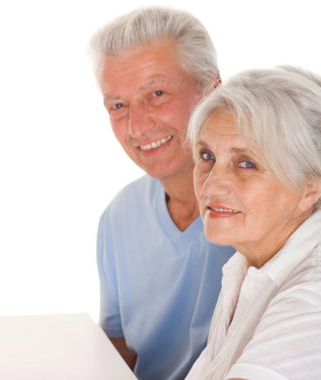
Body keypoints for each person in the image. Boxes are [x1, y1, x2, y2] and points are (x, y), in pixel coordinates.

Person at [89, 7, 235, 379]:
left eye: (156, 93)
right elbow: (119, 350)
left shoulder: (275, 207)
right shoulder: (118, 218)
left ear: (213, 89)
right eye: (118, 106)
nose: (137, 126)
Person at [185, 67, 321, 379]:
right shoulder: (247, 262)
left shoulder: (312, 297)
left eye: (247, 163)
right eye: (206, 156)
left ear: (310, 188)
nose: (210, 186)